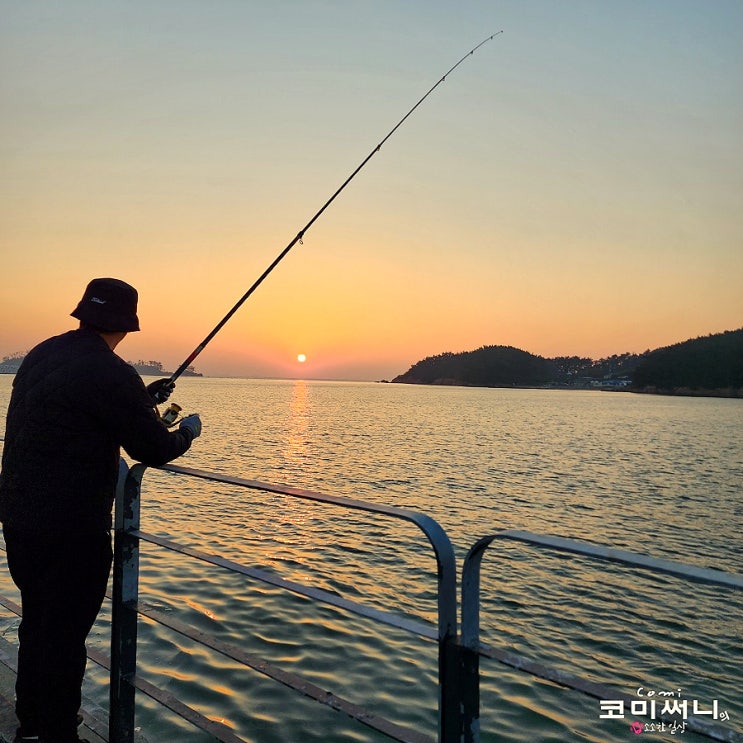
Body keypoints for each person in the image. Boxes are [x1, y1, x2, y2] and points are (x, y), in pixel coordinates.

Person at [0, 278, 202, 743]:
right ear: (128, 325)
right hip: (71, 528)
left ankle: (32, 727)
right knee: (66, 637)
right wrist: (187, 431)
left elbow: (77, 410)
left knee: (39, 625)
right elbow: (153, 448)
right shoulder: (110, 373)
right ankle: (54, 734)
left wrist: (139, 400)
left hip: (19, 518)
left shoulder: (42, 353)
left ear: (82, 314)